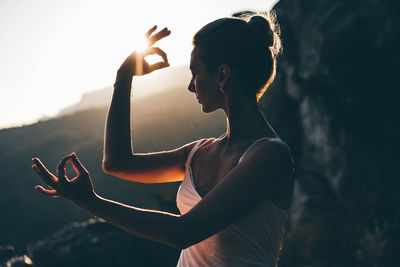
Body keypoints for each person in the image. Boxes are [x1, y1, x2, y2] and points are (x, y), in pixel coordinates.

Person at [32, 11, 294, 267]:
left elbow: (182, 232)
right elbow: (117, 163)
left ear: (222, 76)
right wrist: (123, 78)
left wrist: (91, 202)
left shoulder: (269, 155)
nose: (191, 86)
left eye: (195, 73)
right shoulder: (198, 152)